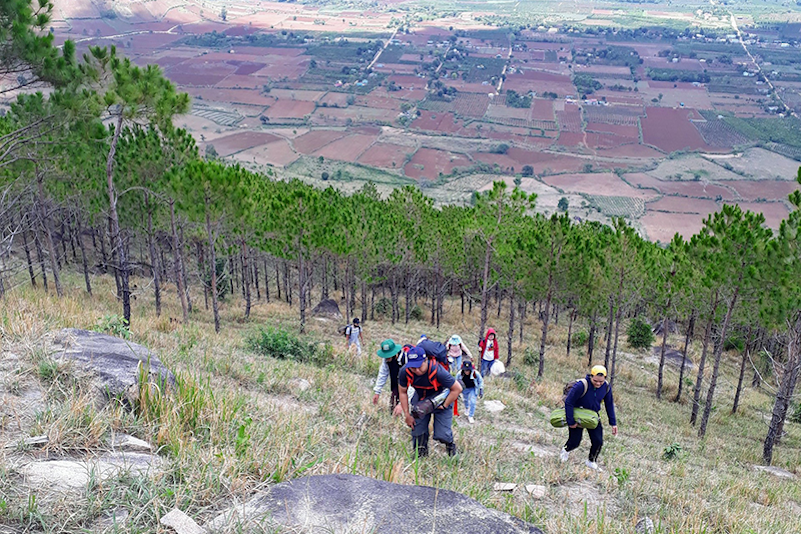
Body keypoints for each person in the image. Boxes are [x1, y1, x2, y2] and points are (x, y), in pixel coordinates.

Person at [399, 346, 462, 457]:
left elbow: (457, 389)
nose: (417, 371)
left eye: (419, 366)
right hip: (420, 399)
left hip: (441, 398)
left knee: (442, 435)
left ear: (426, 360)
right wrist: (407, 415)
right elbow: (402, 392)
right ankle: (421, 456)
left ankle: (450, 445)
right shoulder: (405, 371)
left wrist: (444, 404)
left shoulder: (438, 371)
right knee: (418, 432)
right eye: (413, 367)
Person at [560, 364, 618, 470]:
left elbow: (609, 404)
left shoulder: (606, 387)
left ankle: (591, 461)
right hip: (578, 414)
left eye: (601, 381)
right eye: (595, 380)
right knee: (575, 441)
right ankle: (565, 451)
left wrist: (613, 423)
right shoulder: (581, 385)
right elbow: (569, 402)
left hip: (593, 416)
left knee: (598, 441)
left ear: (605, 378)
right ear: (591, 376)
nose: (598, 383)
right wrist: (571, 421)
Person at [372, 339, 404, 413]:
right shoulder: (386, 360)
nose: (386, 358)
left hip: (410, 386)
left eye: (389, 356)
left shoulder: (406, 360)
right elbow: (383, 374)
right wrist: (377, 392)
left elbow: (412, 384)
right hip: (396, 384)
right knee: (393, 408)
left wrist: (402, 404)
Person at [459, 359, 483, 423]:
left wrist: (481, 389)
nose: (467, 372)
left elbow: (480, 381)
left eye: (468, 370)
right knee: (465, 400)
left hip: (473, 388)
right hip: (464, 389)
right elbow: (456, 382)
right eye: (465, 370)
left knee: (473, 402)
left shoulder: (475, 373)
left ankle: (471, 416)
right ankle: (467, 408)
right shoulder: (459, 374)